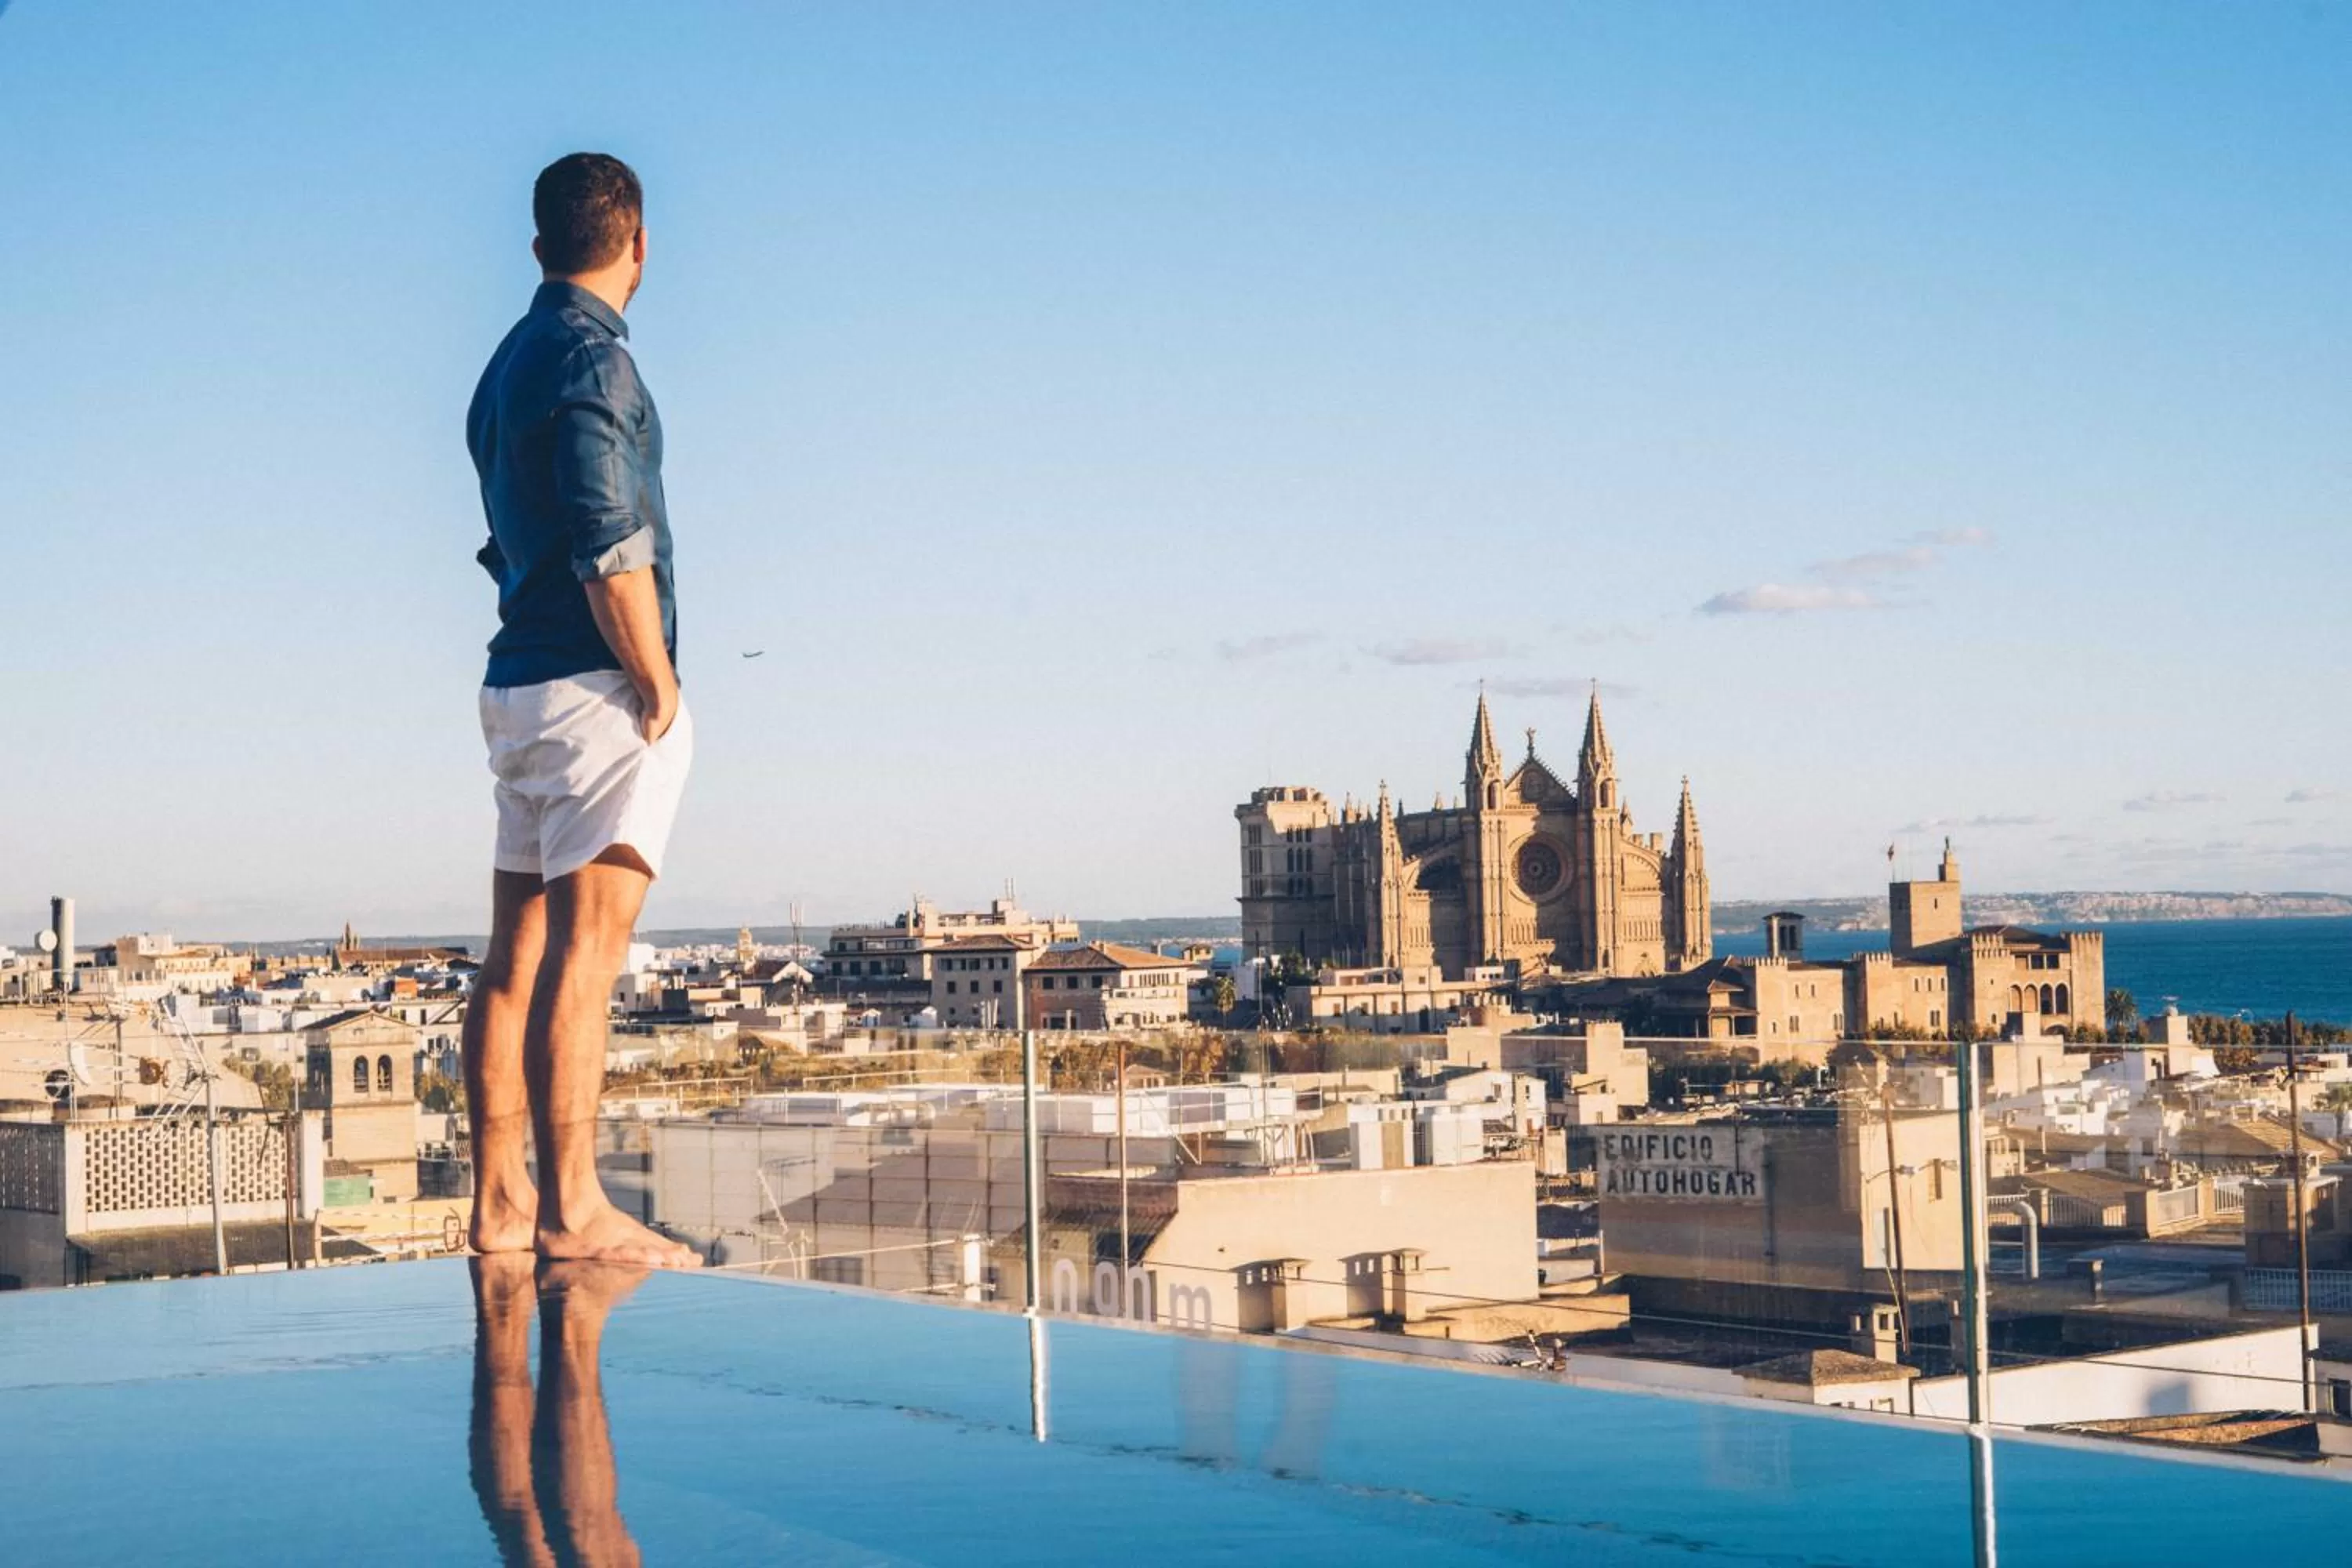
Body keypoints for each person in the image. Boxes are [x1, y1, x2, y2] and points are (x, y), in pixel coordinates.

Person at [463, 152, 698, 1268]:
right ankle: (571, 1209)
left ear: (539, 245)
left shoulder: (506, 362)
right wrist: (654, 681)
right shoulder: (593, 361)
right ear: (638, 244)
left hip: (516, 683)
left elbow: (512, 528)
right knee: (584, 962)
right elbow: (611, 537)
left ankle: (499, 1207)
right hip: (593, 684)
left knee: (513, 960)